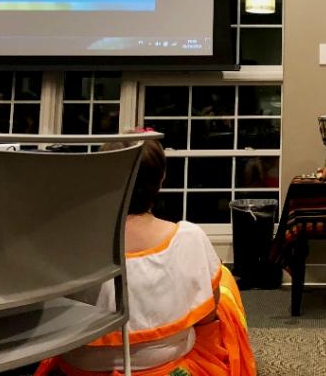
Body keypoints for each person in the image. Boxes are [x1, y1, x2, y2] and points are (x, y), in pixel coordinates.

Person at [34, 136, 256, 376]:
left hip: (79, 366)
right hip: (162, 364)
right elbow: (207, 318)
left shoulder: (68, 243)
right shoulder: (189, 237)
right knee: (223, 281)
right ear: (161, 180)